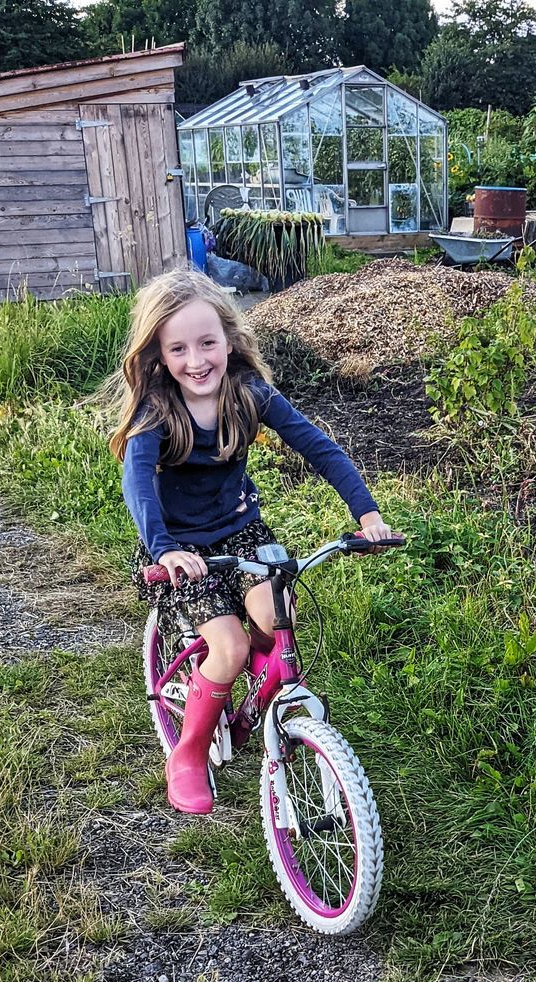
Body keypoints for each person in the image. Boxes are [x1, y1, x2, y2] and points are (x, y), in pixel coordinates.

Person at [107, 267, 398, 816]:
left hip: (243, 536)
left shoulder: (249, 395)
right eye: (179, 348)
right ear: (159, 356)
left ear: (229, 339)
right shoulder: (156, 414)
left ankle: (252, 708)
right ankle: (189, 752)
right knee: (232, 647)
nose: (197, 360)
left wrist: (367, 514)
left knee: (277, 620)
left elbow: (320, 448)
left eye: (208, 342)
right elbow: (138, 483)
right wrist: (163, 546)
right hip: (182, 553)